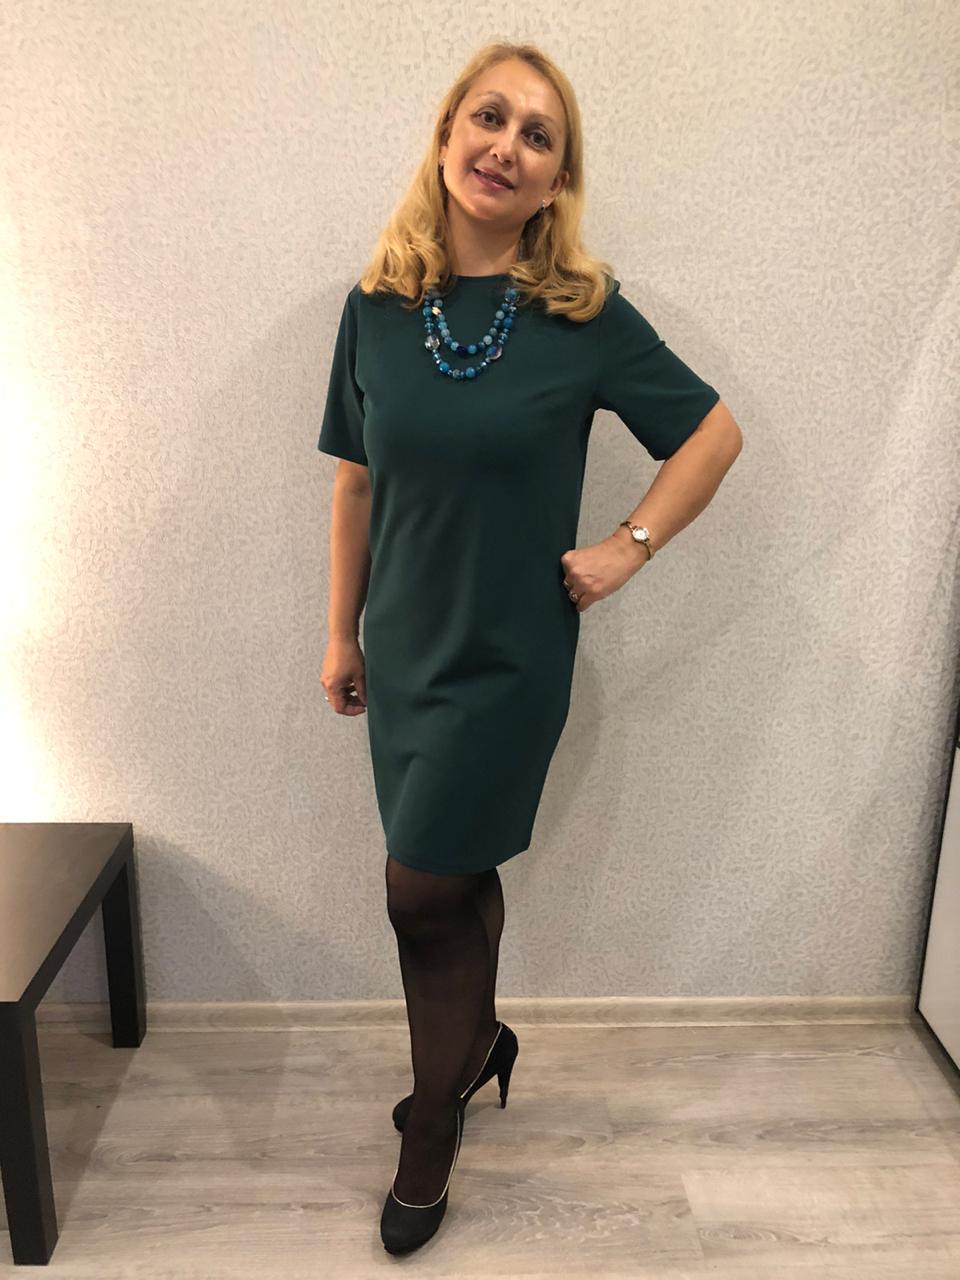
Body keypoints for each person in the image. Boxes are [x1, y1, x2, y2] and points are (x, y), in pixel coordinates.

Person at [317, 42, 742, 1255]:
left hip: (509, 659)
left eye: (538, 134)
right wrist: (339, 631)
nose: (506, 146)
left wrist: (626, 547)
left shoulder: (582, 312)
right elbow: (357, 483)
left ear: (557, 178)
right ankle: (477, 1043)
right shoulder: (374, 307)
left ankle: (432, 1119)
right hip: (406, 647)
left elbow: (712, 434)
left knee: (419, 886)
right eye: (489, 117)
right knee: (451, 877)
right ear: (448, 134)